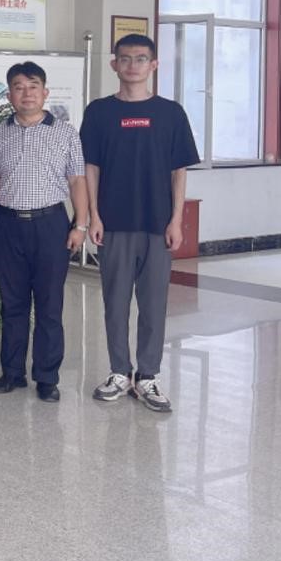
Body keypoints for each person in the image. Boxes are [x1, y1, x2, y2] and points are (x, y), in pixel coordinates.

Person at [80, 33, 199, 413]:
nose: (133, 65)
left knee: (153, 305)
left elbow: (179, 172)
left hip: (157, 225)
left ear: (154, 65)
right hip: (114, 223)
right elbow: (91, 167)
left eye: (141, 58)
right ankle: (119, 371)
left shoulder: (171, 113)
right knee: (114, 303)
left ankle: (147, 375)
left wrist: (176, 221)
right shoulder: (99, 112)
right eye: (126, 58)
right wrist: (94, 216)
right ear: (114, 64)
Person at [0, 61, 89, 403]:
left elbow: (77, 180)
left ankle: (47, 377)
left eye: (33, 86)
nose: (26, 93)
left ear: (45, 92)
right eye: (19, 87)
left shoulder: (65, 132)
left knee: (49, 305)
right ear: (9, 95)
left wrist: (80, 224)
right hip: (7, 225)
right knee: (12, 304)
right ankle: (12, 373)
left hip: (50, 225)